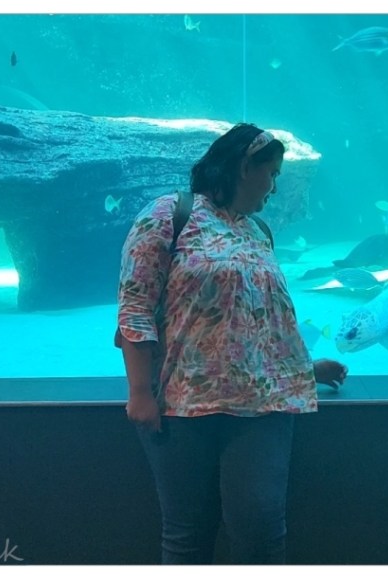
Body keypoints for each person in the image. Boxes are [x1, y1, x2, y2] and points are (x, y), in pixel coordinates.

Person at [116, 123, 348, 565]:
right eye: (272, 173)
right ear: (245, 167)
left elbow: (263, 317)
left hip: (262, 406)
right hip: (181, 402)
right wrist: (140, 391)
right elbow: (135, 305)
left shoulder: (258, 231)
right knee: (187, 534)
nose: (274, 187)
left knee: (262, 530)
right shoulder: (169, 214)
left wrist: (306, 369)